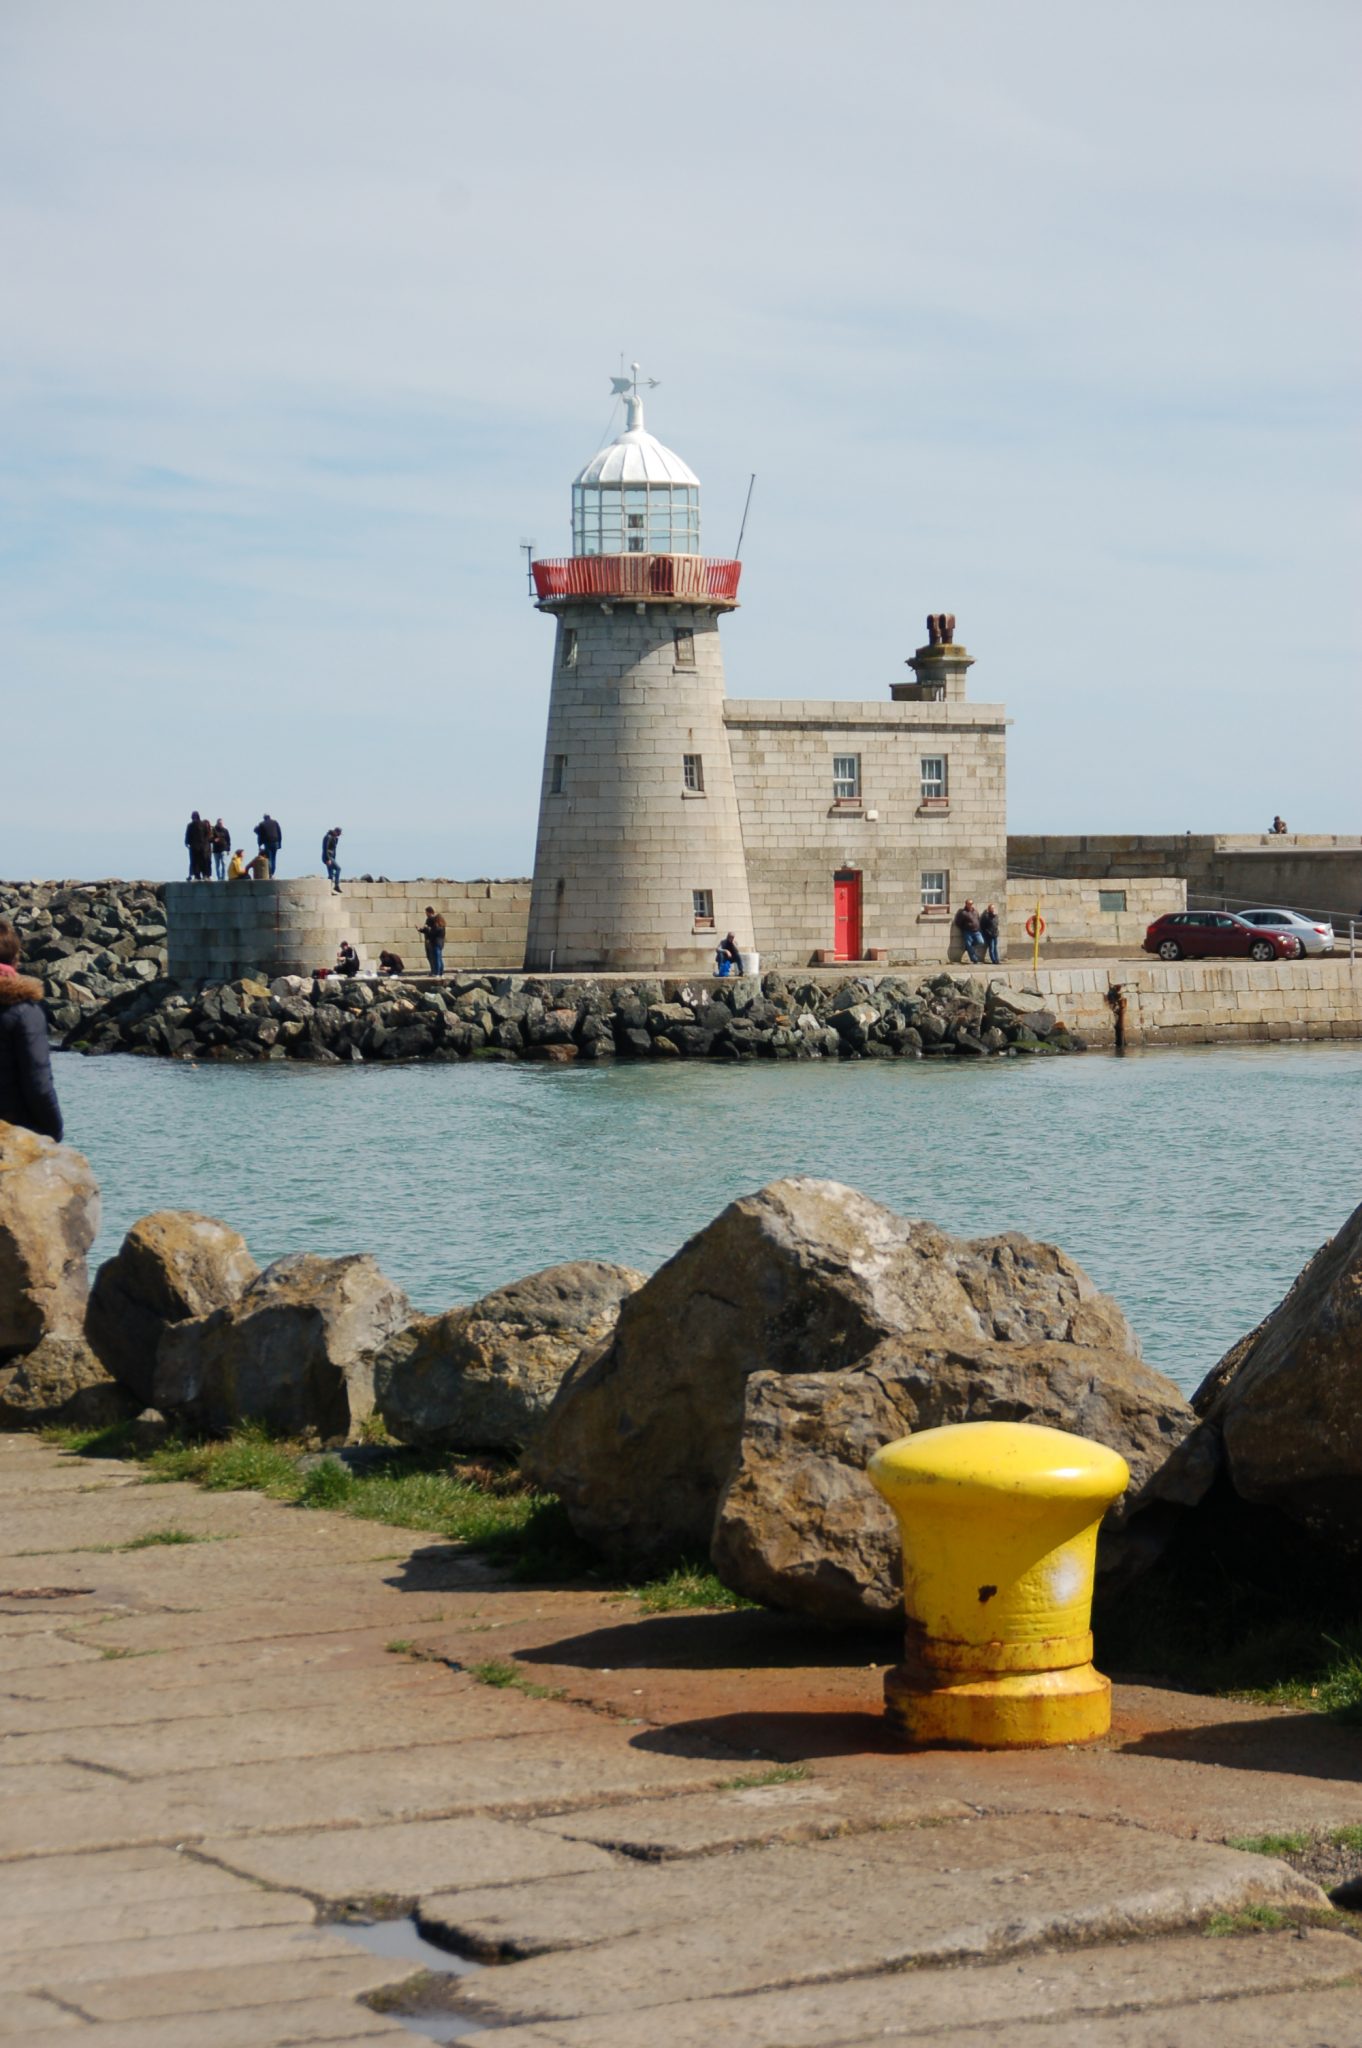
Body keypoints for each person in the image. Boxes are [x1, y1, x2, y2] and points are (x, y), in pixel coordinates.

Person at [0, 923, 63, 1140]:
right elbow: (39, 1085)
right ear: (16, 959)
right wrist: (54, 1133)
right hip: (12, 1135)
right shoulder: (25, 1012)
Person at [953, 899, 985, 964]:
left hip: (976, 931)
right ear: (966, 904)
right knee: (969, 946)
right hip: (968, 932)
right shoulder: (963, 913)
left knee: (981, 941)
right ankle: (974, 959)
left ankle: (968, 947)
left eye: (971, 904)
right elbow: (958, 922)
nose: (970, 905)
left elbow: (978, 919)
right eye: (969, 904)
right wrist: (964, 928)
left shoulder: (975, 911)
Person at [184, 810, 212, 882]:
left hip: (197, 847)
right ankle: (201, 876)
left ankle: (201, 876)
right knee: (199, 862)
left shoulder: (191, 825)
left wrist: (187, 843)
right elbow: (208, 834)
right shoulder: (200, 824)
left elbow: (188, 836)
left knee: (199, 862)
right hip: (199, 847)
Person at [418, 905, 446, 976]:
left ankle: (437, 972)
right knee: (438, 958)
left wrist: (427, 929)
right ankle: (439, 972)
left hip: (436, 943)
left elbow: (432, 933)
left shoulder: (438, 926)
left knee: (436, 958)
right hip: (438, 943)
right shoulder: (441, 927)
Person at [321, 826, 342, 894]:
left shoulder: (334, 838)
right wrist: (327, 859)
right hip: (328, 857)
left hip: (331, 857)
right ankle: (336, 885)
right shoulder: (328, 837)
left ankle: (329, 890)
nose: (339, 835)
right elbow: (325, 848)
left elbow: (334, 850)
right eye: (338, 833)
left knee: (330, 874)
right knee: (338, 868)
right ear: (336, 832)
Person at [980, 902, 1001, 966]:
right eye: (992, 908)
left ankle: (997, 960)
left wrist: (997, 932)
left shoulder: (996, 916)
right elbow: (983, 926)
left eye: (993, 908)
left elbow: (996, 925)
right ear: (989, 909)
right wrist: (987, 932)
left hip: (995, 934)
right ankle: (993, 960)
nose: (993, 909)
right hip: (989, 934)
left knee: (995, 948)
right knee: (991, 948)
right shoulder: (986, 916)